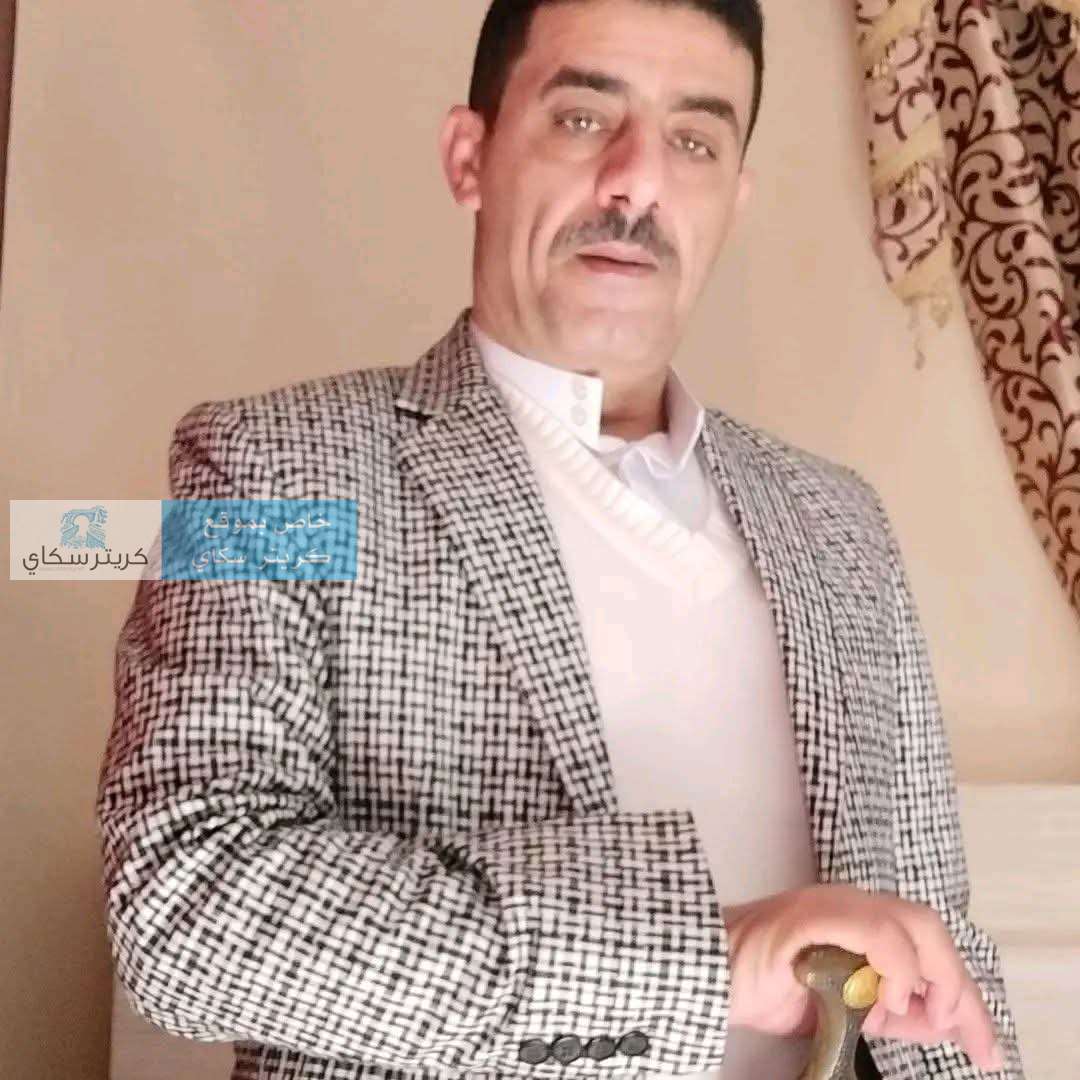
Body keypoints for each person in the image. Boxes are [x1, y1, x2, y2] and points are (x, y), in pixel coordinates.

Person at [94, 1, 1024, 1078]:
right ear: (470, 157)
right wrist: (702, 962)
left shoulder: (842, 524)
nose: (638, 182)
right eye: (584, 119)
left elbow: (939, 963)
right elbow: (186, 906)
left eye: (695, 140)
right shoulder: (263, 469)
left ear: (734, 197)